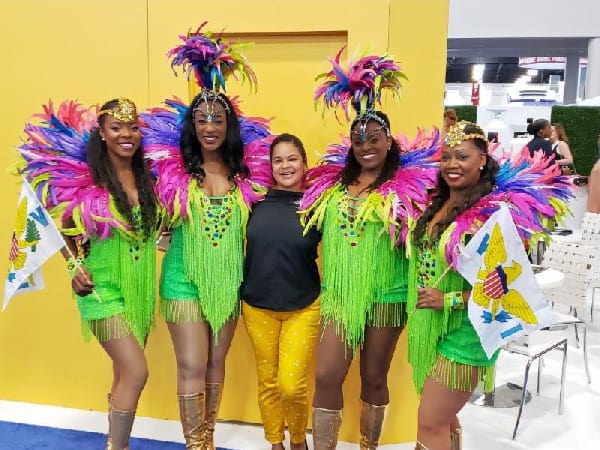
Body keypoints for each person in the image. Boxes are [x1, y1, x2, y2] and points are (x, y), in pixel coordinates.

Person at [301, 49, 439, 450]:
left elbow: (432, 231)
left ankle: (368, 445)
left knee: (374, 377)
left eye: (374, 138)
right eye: (358, 139)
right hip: (340, 294)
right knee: (327, 375)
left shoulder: (412, 189)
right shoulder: (331, 185)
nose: (366, 146)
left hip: (387, 293)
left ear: (388, 142)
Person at [141, 25, 270, 450]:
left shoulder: (247, 174)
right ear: (191, 125)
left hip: (229, 280)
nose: (210, 126)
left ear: (229, 125)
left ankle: (208, 437)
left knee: (216, 362)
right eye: (201, 119)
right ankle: (196, 444)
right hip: (182, 277)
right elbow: (143, 208)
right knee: (192, 363)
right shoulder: (170, 171)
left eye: (218, 119)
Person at [408, 121, 572, 450]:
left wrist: (449, 300)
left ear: (482, 159)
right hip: (430, 328)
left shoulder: (494, 215)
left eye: (463, 157)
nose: (452, 165)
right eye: (447, 157)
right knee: (446, 419)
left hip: (469, 333)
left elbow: (504, 288)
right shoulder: (436, 203)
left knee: (430, 422)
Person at [19, 98, 161, 450]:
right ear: (102, 132)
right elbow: (58, 225)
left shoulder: (149, 176)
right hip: (100, 289)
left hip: (139, 288)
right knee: (136, 371)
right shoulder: (85, 178)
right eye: (116, 127)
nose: (126, 134)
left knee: (123, 373)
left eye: (132, 127)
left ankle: (114, 442)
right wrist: (73, 266)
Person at [241, 133, 321, 450]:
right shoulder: (254, 201)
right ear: (270, 166)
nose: (285, 165)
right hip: (257, 306)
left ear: (304, 164)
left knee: (291, 385)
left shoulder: (317, 205)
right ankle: (275, 442)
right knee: (268, 383)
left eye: (292, 159)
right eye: (278, 160)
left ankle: (299, 440)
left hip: (303, 306)